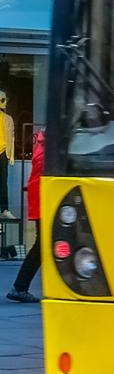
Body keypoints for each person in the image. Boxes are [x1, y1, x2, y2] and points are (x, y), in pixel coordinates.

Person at [8, 128, 41, 303]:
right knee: (42, 245)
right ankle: (20, 287)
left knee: (43, 245)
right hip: (45, 200)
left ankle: (20, 286)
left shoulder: (43, 144)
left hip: (41, 200)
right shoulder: (50, 146)